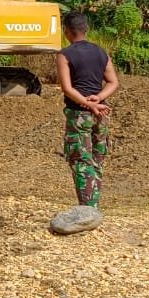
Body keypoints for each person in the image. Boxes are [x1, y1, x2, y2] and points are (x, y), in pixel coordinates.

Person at [55, 11, 120, 207]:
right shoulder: (101, 52)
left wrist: (88, 103)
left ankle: (88, 209)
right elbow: (113, 82)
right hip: (101, 113)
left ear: (66, 31)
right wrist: (98, 98)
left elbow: (67, 88)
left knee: (81, 162)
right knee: (96, 161)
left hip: (79, 115)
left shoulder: (65, 55)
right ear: (87, 29)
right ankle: (94, 206)